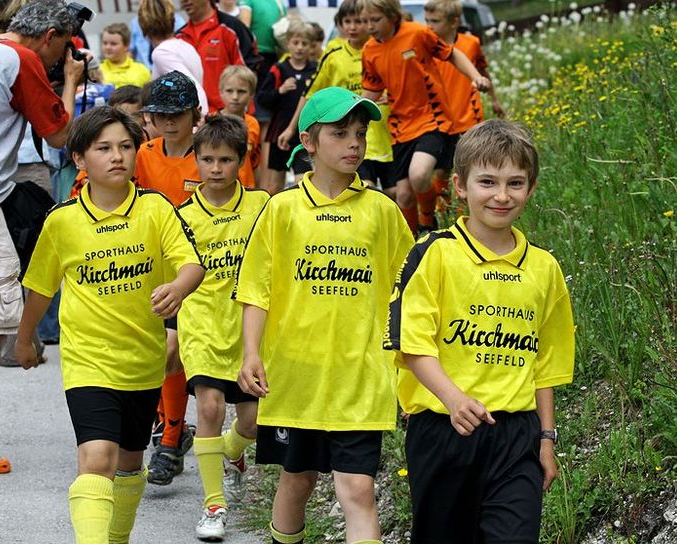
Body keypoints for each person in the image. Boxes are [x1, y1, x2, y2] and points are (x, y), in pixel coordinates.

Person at [15, 105, 204, 543]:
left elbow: (191, 262)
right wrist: (25, 339)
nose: (117, 156)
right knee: (97, 458)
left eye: (125, 146)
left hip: (142, 362)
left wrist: (179, 286)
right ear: (80, 159)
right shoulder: (62, 221)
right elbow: (41, 287)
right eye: (104, 148)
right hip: (88, 361)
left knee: (129, 464)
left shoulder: (156, 209)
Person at [236, 86, 414, 544]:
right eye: (340, 133)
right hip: (297, 378)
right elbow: (257, 289)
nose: (355, 143)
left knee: (358, 489)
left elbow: (411, 294)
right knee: (297, 480)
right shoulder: (282, 209)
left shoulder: (382, 212)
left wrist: (411, 368)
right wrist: (250, 353)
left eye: (361, 133)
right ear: (310, 143)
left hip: (361, 378)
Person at [384, 119, 575, 543]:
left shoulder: (544, 268)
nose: (502, 195)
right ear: (460, 186)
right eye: (487, 181)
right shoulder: (432, 255)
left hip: (517, 438)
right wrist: (454, 400)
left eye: (516, 183)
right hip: (443, 430)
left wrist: (546, 438)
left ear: (532, 188)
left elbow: (544, 364)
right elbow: (413, 346)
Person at [178, 115, 269, 541]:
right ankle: (214, 505)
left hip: (247, 327)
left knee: (252, 422)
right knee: (210, 408)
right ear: (194, 160)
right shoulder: (181, 216)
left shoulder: (262, 207)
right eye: (208, 159)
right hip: (201, 323)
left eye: (226, 160)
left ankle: (231, 455)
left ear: (242, 161)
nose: (216, 168)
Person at [0, 0, 87, 358]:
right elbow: (61, 135)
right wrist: (71, 82)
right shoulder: (22, 60)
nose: (61, 58)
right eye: (64, 46)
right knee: (0, 315)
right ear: (50, 36)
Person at [359, 0, 490, 236]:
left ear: (392, 15)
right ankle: (410, 245)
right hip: (400, 127)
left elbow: (452, 54)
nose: (369, 26)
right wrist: (352, 110)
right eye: (364, 21)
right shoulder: (369, 51)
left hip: (432, 119)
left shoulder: (417, 33)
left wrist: (475, 76)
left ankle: (428, 222)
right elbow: (372, 89)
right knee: (405, 196)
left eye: (375, 20)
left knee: (419, 175)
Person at [133, 70, 203, 486]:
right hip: (155, 269)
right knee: (164, 353)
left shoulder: (210, 152)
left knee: (173, 351)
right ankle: (171, 436)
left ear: (194, 113)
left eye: (178, 113)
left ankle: (171, 438)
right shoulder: (142, 154)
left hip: (202, 268)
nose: (170, 121)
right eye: (161, 114)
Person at [278, 0, 394, 191]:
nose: (353, 27)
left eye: (359, 21)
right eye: (347, 21)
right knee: (364, 188)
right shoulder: (333, 55)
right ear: (340, 24)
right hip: (353, 137)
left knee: (397, 194)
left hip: (386, 133)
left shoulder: (382, 51)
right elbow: (311, 95)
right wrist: (291, 129)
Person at [423, 0, 505, 224]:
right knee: (440, 173)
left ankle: (462, 217)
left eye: (435, 21)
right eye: (427, 21)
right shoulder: (428, 48)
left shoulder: (471, 43)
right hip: (440, 121)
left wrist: (495, 101)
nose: (429, 26)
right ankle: (440, 214)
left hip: (469, 119)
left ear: (454, 22)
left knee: (468, 171)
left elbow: (483, 71)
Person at [257, 18, 317, 193]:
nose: (299, 47)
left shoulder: (314, 70)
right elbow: (262, 98)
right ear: (288, 43)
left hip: (304, 134)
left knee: (302, 182)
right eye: (295, 42)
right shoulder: (279, 69)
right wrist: (280, 91)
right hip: (279, 133)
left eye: (304, 43)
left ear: (311, 46)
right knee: (274, 186)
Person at [138, 0, 209, 116]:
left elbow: (194, 88)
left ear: (142, 23)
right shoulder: (185, 46)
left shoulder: (161, 53)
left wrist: (199, 127)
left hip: (188, 124)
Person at [176, 0, 247, 113]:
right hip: (192, 116)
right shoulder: (179, 37)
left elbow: (248, 72)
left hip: (227, 117)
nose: (184, 1)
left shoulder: (231, 28)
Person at [218, 65, 261, 188]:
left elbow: (255, 163)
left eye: (241, 91)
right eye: (229, 91)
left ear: (251, 94)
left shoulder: (253, 124)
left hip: (246, 190)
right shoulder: (210, 122)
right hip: (218, 190)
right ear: (221, 92)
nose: (235, 97)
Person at [99, 23, 151, 88]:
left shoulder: (142, 70)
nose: (108, 47)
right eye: (105, 43)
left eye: (113, 44)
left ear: (126, 45)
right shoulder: (97, 71)